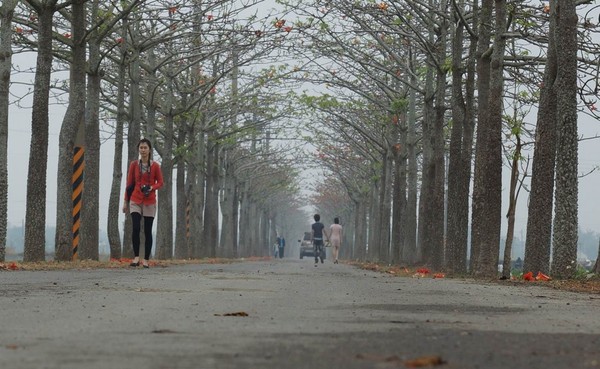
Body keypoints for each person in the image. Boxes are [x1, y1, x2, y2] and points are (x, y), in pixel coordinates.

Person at [122, 138, 164, 268]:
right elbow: (129, 185)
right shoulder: (134, 165)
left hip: (150, 201)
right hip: (135, 199)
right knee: (135, 228)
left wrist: (152, 187)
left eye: (145, 148)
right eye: (141, 148)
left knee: (147, 230)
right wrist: (125, 202)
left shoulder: (155, 166)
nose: (143, 150)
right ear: (138, 150)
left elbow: (161, 182)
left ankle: (145, 259)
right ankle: (136, 258)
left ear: (150, 150)